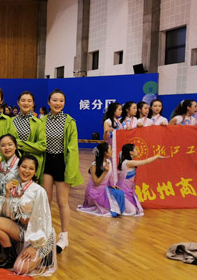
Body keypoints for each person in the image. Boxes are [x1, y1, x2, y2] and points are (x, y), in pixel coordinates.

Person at [0, 155, 57, 276]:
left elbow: (43, 221)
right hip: (22, 229)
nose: (26, 171)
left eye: (31, 168)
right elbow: (6, 214)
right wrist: (8, 194)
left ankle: (46, 254)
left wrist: (34, 246)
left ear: (35, 172)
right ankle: (10, 257)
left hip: (39, 235)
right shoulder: (14, 187)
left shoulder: (39, 191)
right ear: (18, 167)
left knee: (20, 268)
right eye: (24, 167)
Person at [41, 89, 83, 253]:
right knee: (46, 200)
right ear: (48, 102)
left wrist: (70, 170)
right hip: (47, 162)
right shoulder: (42, 121)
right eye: (54, 100)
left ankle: (64, 236)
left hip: (62, 162)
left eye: (61, 100)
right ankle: (46, 233)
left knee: (62, 201)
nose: (57, 103)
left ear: (64, 103)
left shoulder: (69, 122)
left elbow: (73, 149)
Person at [77, 142, 125, 217]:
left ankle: (117, 210)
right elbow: (96, 183)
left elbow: (110, 177)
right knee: (110, 208)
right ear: (105, 153)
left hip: (104, 189)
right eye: (110, 150)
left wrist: (112, 185)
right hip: (95, 193)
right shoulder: (94, 166)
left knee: (119, 193)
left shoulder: (109, 162)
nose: (112, 151)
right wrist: (105, 172)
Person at [117, 144, 166, 216]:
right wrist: (157, 156)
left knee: (137, 210)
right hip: (123, 191)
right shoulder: (128, 162)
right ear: (131, 152)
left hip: (129, 190)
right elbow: (146, 161)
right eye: (136, 149)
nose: (137, 151)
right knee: (132, 211)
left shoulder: (130, 162)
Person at [11, 92, 46, 183]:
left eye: (29, 101)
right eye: (23, 100)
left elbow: (42, 146)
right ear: (18, 102)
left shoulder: (39, 123)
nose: (26, 103)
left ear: (33, 104)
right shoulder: (10, 121)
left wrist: (19, 144)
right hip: (12, 164)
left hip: (30, 165)